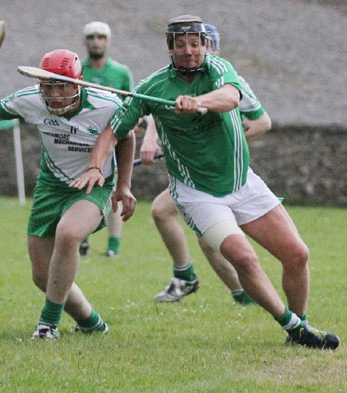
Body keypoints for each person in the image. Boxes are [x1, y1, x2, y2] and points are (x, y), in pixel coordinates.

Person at [70, 16, 340, 350]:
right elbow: (113, 131)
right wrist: (98, 166)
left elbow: (230, 98)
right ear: (170, 48)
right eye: (180, 45)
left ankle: (298, 329)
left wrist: (198, 102)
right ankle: (294, 326)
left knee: (297, 254)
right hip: (197, 193)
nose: (189, 51)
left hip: (242, 183)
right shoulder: (152, 88)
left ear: (205, 46)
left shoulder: (218, 69)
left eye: (195, 44)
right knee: (243, 257)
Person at [0, 49, 136, 340]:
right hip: (51, 186)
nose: (53, 94)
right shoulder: (31, 99)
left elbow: (126, 136)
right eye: (47, 86)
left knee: (69, 235)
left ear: (77, 83)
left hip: (95, 185)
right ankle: (91, 322)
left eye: (60, 85)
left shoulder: (107, 104)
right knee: (43, 276)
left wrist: (123, 186)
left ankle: (47, 325)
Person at [140, 23, 272, 304]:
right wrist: (150, 139)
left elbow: (262, 122)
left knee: (197, 232)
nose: (192, 53)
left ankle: (235, 291)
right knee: (164, 213)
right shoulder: (176, 79)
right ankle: (216, 285)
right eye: (185, 45)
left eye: (201, 45)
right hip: (194, 174)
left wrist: (220, 143)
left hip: (224, 173)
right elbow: (157, 110)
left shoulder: (230, 80)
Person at [79, 21, 134, 258]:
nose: (96, 41)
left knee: (115, 189)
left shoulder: (120, 73)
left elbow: (130, 105)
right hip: (83, 139)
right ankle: (81, 238)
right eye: (91, 37)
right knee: (81, 188)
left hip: (114, 139)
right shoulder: (78, 70)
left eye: (101, 37)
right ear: (85, 41)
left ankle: (113, 246)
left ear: (108, 41)